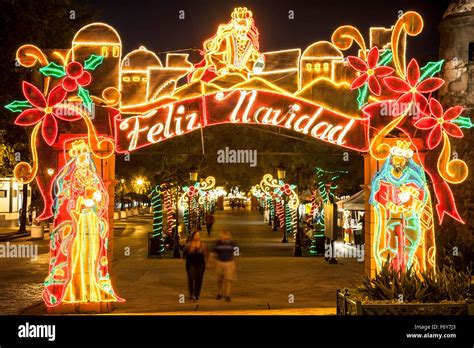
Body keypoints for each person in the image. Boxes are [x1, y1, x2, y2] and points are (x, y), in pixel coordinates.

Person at [183, 231, 208, 301]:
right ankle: (191, 294)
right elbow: (184, 255)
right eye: (196, 235)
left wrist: (207, 262)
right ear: (193, 236)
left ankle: (197, 294)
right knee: (191, 278)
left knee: (199, 279)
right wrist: (191, 250)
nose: (197, 236)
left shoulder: (202, 244)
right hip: (191, 264)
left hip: (200, 264)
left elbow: (206, 254)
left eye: (198, 235)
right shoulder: (189, 244)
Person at [212, 231, 237, 302]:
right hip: (219, 262)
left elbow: (236, 253)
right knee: (219, 279)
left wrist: (235, 263)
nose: (224, 237)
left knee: (228, 279)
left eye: (226, 236)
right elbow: (213, 252)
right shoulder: (217, 243)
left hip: (229, 262)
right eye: (223, 236)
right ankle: (219, 293)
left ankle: (227, 295)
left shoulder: (232, 243)